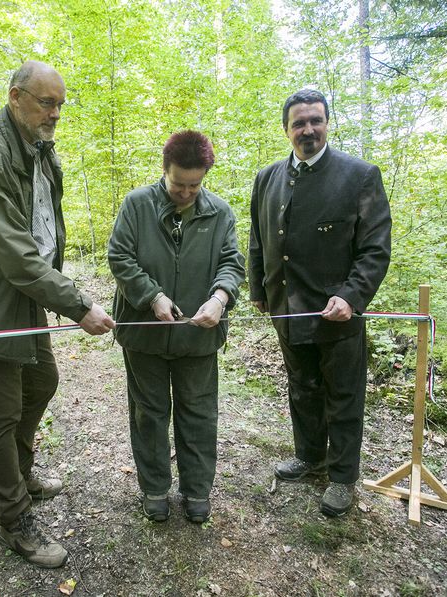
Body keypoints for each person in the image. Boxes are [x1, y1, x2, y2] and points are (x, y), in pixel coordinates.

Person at [0, 60, 115, 568]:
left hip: (27, 296)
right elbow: (14, 251)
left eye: (61, 104)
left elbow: (43, 226)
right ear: (16, 97)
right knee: (0, 414)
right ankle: (14, 519)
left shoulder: (39, 147)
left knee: (40, 382)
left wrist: (54, 290)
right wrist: (79, 304)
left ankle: (19, 474)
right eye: (46, 102)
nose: (55, 113)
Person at [248, 89, 391, 517]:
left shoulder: (359, 175)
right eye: (298, 122)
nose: (307, 129)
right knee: (302, 388)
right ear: (286, 129)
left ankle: (343, 477)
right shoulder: (267, 178)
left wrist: (351, 297)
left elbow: (375, 249)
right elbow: (258, 240)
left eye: (315, 120)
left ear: (327, 123)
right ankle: (310, 457)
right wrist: (260, 290)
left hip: (338, 314)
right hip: (287, 309)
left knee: (343, 395)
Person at [108, 130, 245, 523]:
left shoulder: (220, 212)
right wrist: (152, 296)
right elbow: (119, 256)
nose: (185, 193)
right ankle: (154, 489)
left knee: (199, 412)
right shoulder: (136, 204)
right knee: (148, 413)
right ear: (164, 170)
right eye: (177, 184)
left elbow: (232, 264)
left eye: (194, 185)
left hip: (198, 336)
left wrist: (220, 299)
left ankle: (197, 489)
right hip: (143, 334)